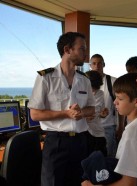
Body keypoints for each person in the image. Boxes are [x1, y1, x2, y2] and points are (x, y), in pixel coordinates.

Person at [28, 32, 96, 186]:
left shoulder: (84, 80)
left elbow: (92, 108)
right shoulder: (45, 78)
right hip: (56, 141)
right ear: (67, 49)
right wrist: (65, 113)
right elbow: (35, 114)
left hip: (80, 141)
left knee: (78, 182)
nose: (86, 53)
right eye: (82, 49)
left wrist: (81, 112)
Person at [81, 73, 137, 186]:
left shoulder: (133, 133)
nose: (115, 102)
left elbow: (129, 182)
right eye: (115, 97)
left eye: (120, 98)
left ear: (136, 102)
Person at [90, 54, 123, 157]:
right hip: (89, 128)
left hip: (107, 126)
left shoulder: (112, 81)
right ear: (90, 65)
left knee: (108, 157)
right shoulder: (84, 81)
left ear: (104, 64)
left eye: (99, 63)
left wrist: (121, 126)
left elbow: (120, 105)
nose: (97, 66)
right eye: (94, 63)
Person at [85, 70, 108, 156]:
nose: (93, 92)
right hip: (83, 134)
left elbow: (97, 111)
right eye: (90, 88)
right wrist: (85, 116)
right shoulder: (78, 93)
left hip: (97, 134)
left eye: (95, 89)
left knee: (100, 163)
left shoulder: (100, 93)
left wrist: (102, 114)